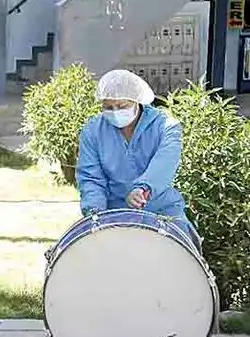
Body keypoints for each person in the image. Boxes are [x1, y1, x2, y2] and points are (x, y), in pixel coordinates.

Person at [75, 69, 200, 247]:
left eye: (122, 106)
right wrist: (95, 213)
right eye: (108, 107)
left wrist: (143, 188)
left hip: (161, 211)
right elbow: (91, 178)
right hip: (113, 215)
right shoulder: (93, 131)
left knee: (180, 255)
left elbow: (164, 164)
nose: (115, 112)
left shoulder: (166, 127)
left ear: (136, 101)